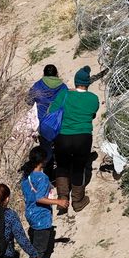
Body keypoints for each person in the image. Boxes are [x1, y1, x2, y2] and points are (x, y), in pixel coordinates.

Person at [50, 66, 102, 211]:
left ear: (75, 81)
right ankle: (78, 201)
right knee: (79, 167)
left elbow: (52, 111)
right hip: (83, 138)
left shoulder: (64, 95)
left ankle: (62, 199)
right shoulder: (93, 98)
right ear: (88, 83)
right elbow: (92, 113)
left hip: (62, 137)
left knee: (62, 166)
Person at [19, 145, 61, 258]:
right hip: (40, 215)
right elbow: (40, 198)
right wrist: (59, 201)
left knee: (36, 242)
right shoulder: (42, 178)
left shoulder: (27, 177)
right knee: (40, 249)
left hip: (30, 213)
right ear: (43, 161)